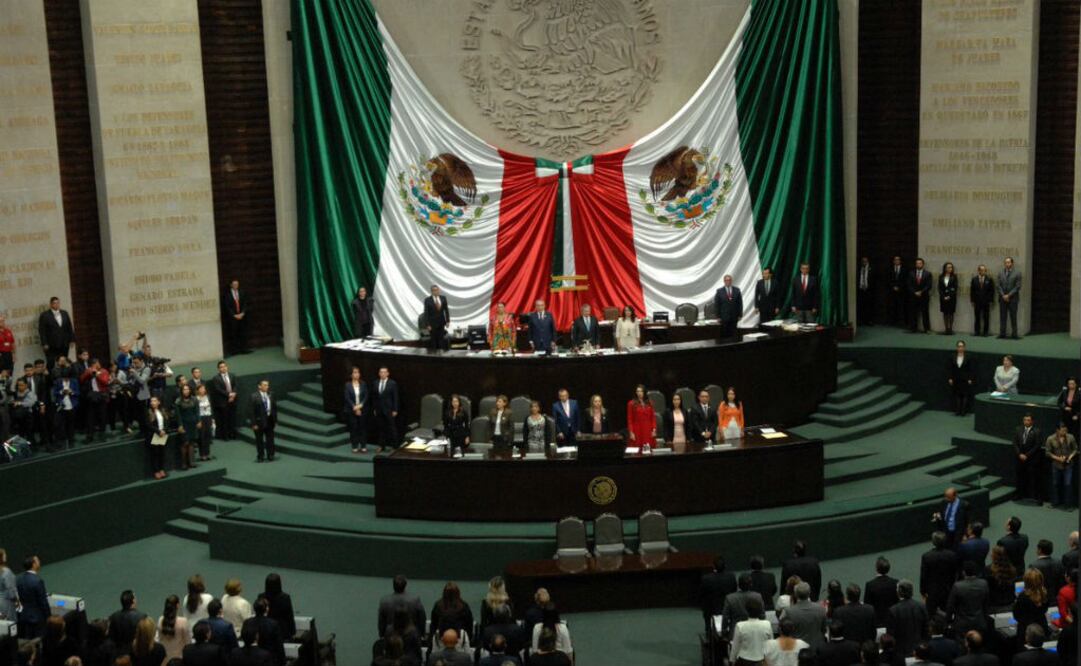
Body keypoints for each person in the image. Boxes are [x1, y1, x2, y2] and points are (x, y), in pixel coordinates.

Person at [947, 560, 990, 639]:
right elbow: (986, 604)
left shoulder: (957, 586)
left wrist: (948, 621)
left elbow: (950, 606)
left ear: (964, 572)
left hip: (962, 625)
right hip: (980, 622)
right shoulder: (984, 584)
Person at [921, 531, 959, 617]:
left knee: (931, 614)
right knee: (948, 611)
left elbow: (924, 576)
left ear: (933, 542)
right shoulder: (952, 555)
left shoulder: (926, 556)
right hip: (948, 589)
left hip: (932, 591)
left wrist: (923, 591)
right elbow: (954, 573)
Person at [887, 580, 928, 657]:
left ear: (899, 592)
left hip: (901, 652)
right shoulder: (922, 607)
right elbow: (926, 629)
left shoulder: (893, 610)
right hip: (920, 650)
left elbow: (890, 634)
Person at [781, 582, 827, 649]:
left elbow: (782, 630)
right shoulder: (821, 609)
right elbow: (824, 629)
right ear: (809, 593)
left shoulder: (788, 611)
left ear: (795, 594)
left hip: (796, 649)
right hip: (816, 648)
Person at [730, 595, 773, 666]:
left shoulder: (740, 625)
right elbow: (771, 645)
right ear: (760, 610)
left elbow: (735, 647)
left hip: (744, 661)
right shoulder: (767, 624)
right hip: (762, 660)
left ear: (747, 610)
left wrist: (732, 661)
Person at [242, 598, 284, 666]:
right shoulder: (273, 624)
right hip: (268, 659)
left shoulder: (247, 622)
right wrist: (282, 661)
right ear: (267, 609)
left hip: (249, 658)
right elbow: (279, 645)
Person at [1046, 423, 1078, 508]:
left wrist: (1070, 457)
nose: (1065, 432)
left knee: (1068, 484)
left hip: (1068, 465)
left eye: (1066, 430)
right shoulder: (1050, 438)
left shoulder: (1071, 437)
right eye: (1063, 430)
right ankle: (1055, 503)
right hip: (1056, 465)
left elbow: (1075, 449)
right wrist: (1057, 458)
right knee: (1055, 484)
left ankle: (1068, 505)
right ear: (1057, 430)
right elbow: (1048, 453)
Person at [37, 297, 75, 369]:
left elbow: (69, 327)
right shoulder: (45, 315)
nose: (56, 305)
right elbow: (42, 330)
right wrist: (44, 343)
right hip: (51, 344)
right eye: (54, 303)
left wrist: (72, 339)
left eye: (58, 303)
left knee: (64, 361)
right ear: (51, 304)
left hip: (64, 343)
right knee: (51, 362)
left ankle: (64, 376)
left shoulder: (64, 313)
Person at [16, 555, 48, 639]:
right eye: (37, 561)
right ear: (33, 564)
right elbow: (43, 602)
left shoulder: (19, 579)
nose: (39, 562)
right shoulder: (38, 581)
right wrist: (49, 616)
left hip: (23, 617)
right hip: (37, 619)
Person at [1013, 414, 1042, 502]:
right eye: (1025, 420)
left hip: (1032, 459)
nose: (1026, 422)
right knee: (1020, 478)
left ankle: (1038, 498)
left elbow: (1037, 445)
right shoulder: (1018, 429)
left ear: (1032, 421)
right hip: (1020, 458)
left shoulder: (1037, 431)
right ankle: (1019, 495)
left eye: (1028, 420)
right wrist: (1019, 454)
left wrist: (1027, 455)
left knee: (1034, 479)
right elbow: (1015, 443)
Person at [1013, 568, 1049, 637]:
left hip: (1026, 631)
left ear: (1026, 582)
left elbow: (1016, 615)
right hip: (1041, 627)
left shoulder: (1023, 597)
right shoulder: (1044, 594)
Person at [865, 556, 899, 628]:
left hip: (877, 624)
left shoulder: (870, 585)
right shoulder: (895, 583)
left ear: (876, 568)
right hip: (894, 622)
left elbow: (867, 606)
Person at [249, 380, 277, 463]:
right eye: (265, 385)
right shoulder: (253, 396)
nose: (267, 387)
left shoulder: (271, 394)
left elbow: (274, 408)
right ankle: (260, 456)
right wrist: (253, 423)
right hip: (259, 422)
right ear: (259, 386)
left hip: (269, 420)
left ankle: (270, 455)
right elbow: (251, 411)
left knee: (270, 439)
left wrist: (275, 420)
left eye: (267, 385)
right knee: (259, 440)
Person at [371, 367, 398, 452]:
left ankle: (394, 446)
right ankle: (381, 446)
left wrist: (395, 409)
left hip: (389, 410)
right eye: (381, 372)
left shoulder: (392, 383)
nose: (382, 374)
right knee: (381, 428)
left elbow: (395, 397)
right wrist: (375, 408)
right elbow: (374, 397)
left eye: (384, 372)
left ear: (387, 373)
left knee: (392, 428)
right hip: (379, 410)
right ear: (379, 373)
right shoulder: (375, 383)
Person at [209, 361, 238, 440]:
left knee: (232, 418)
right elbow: (218, 389)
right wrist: (229, 395)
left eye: (225, 366)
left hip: (233, 400)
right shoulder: (216, 378)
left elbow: (235, 386)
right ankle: (225, 436)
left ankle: (233, 434)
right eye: (221, 367)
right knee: (224, 420)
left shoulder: (232, 375)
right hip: (223, 402)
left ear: (227, 367)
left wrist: (233, 394)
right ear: (219, 369)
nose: (223, 368)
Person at [158, 595, 191, 663]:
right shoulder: (183, 621)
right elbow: (188, 643)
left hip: (164, 660)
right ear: (178, 605)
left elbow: (159, 639)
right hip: (179, 660)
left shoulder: (160, 620)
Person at [52, 368, 79, 449]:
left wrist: (71, 392)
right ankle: (62, 440)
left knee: (71, 424)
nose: (66, 379)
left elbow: (78, 392)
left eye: (67, 378)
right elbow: (54, 393)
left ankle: (71, 440)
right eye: (64, 378)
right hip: (61, 405)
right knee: (59, 424)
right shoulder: (58, 382)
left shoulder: (74, 381)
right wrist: (61, 392)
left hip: (72, 405)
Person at [946, 341, 975, 417]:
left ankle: (963, 412)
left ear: (964, 347)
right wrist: (950, 378)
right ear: (957, 347)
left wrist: (970, 379)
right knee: (957, 395)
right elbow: (950, 368)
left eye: (962, 346)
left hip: (965, 379)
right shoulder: (952, 356)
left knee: (965, 395)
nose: (960, 348)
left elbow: (971, 369)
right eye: (959, 346)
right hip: (956, 378)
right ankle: (957, 411)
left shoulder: (968, 356)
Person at [221, 280, 250, 355]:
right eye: (234, 284)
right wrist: (234, 315)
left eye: (237, 284)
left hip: (242, 316)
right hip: (232, 318)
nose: (236, 285)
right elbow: (227, 306)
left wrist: (242, 313)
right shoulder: (227, 295)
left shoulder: (242, 292)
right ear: (231, 285)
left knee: (243, 333)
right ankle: (234, 350)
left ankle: (244, 349)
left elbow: (245, 303)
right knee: (233, 334)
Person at [984, 546, 1017, 611]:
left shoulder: (988, 570)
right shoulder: (1012, 570)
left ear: (994, 556)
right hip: (1010, 603)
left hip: (994, 605)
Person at [343, 367, 367, 454]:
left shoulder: (363, 384)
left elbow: (366, 396)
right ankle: (355, 446)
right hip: (351, 410)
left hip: (362, 410)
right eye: (355, 372)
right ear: (351, 375)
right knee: (353, 428)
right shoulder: (347, 385)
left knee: (362, 428)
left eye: (358, 372)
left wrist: (361, 405)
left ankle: (363, 446)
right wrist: (354, 407)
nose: (357, 374)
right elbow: (347, 398)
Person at [174, 384, 199, 470]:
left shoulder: (194, 399)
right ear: (181, 391)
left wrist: (198, 421)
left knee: (191, 443)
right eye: (184, 389)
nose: (186, 391)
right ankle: (184, 463)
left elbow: (197, 411)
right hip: (184, 424)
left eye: (188, 389)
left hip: (193, 423)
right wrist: (180, 425)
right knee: (185, 443)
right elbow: (178, 415)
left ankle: (192, 462)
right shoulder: (178, 401)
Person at [997, 256, 1021, 339]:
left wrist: (1008, 295)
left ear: (1012, 263)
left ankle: (1014, 334)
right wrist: (1003, 295)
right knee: (1002, 317)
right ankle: (1002, 333)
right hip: (1002, 298)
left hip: (1013, 299)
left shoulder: (1017, 273)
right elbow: (998, 285)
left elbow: (1017, 287)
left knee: (1013, 317)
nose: (1007, 264)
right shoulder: (1000, 272)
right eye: (1006, 262)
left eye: (1008, 262)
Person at [145, 397, 168, 480]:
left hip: (163, 434)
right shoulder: (148, 412)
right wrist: (159, 431)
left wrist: (164, 430)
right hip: (154, 435)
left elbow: (166, 422)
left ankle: (161, 469)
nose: (152, 403)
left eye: (154, 401)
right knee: (155, 454)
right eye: (151, 401)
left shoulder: (162, 410)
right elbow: (148, 425)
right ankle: (156, 471)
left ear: (159, 402)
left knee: (162, 453)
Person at [626, 384, 655, 451]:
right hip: (637, 431)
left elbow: (652, 417)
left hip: (647, 430)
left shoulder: (650, 403)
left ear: (644, 392)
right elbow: (629, 419)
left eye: (641, 391)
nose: (639, 393)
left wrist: (654, 429)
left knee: (647, 451)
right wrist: (631, 432)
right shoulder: (631, 403)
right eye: (637, 391)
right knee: (637, 452)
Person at [908, 258, 933, 333]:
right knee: (913, 313)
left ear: (923, 264)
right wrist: (914, 292)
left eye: (920, 263)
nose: (918, 264)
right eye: (917, 263)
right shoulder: (911, 273)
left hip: (924, 296)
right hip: (913, 296)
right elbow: (909, 285)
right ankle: (913, 328)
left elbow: (929, 285)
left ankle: (926, 329)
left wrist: (921, 292)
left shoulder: (928, 274)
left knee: (925, 313)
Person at [715, 274, 743, 338]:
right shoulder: (719, 291)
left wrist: (740, 315)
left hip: (734, 316)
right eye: (726, 280)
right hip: (724, 317)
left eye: (729, 280)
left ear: (731, 281)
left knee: (733, 334)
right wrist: (718, 316)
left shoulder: (737, 290)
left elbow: (740, 303)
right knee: (725, 334)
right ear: (724, 281)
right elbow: (717, 305)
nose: (728, 281)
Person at [423, 285, 450, 351]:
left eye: (437, 290)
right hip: (432, 324)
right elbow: (426, 313)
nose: (436, 292)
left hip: (441, 322)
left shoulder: (443, 298)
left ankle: (441, 355)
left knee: (441, 340)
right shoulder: (427, 300)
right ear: (432, 291)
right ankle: (434, 355)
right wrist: (427, 324)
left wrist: (448, 321)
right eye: (434, 290)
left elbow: (446, 310)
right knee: (434, 341)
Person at [969, 265, 994, 337]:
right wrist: (972, 300)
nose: (983, 271)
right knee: (977, 317)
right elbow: (972, 291)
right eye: (981, 270)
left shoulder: (989, 279)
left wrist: (991, 300)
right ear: (979, 271)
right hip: (977, 301)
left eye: (984, 270)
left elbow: (991, 291)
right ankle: (977, 331)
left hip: (986, 301)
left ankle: (985, 332)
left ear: (985, 271)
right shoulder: (974, 279)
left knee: (986, 317)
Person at [192, 384, 214, 462]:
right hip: (200, 418)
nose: (203, 390)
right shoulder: (195, 399)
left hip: (208, 417)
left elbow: (211, 408)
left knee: (208, 435)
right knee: (201, 436)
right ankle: (202, 454)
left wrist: (212, 419)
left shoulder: (207, 397)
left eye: (204, 388)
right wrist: (197, 421)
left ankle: (207, 453)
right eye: (201, 389)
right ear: (197, 390)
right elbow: (195, 411)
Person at [938, 262, 958, 335]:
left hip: (951, 298)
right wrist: (943, 296)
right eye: (948, 267)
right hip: (943, 298)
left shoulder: (954, 277)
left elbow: (954, 288)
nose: (949, 269)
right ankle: (946, 329)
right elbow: (939, 288)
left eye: (951, 267)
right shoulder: (941, 276)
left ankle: (950, 329)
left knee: (951, 313)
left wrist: (949, 296)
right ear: (945, 268)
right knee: (945, 313)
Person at [887, 256, 907, 327]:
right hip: (892, 291)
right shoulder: (890, 269)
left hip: (901, 291)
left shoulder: (904, 269)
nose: (896, 261)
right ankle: (892, 322)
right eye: (895, 260)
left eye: (898, 260)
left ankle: (901, 322)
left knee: (901, 307)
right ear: (893, 261)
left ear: (900, 261)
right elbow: (888, 279)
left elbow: (905, 280)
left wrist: (899, 287)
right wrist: (893, 287)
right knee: (892, 306)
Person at [856, 257, 873, 326]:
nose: (864, 262)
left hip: (868, 290)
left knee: (868, 306)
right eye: (863, 261)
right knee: (860, 306)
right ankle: (860, 321)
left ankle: (868, 320)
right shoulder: (858, 269)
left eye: (865, 261)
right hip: (860, 290)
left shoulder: (871, 269)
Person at [0, 549, 16, 622]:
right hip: (7, 604)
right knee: (10, 626)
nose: (6, 556)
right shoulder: (6, 572)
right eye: (4, 554)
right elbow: (11, 593)